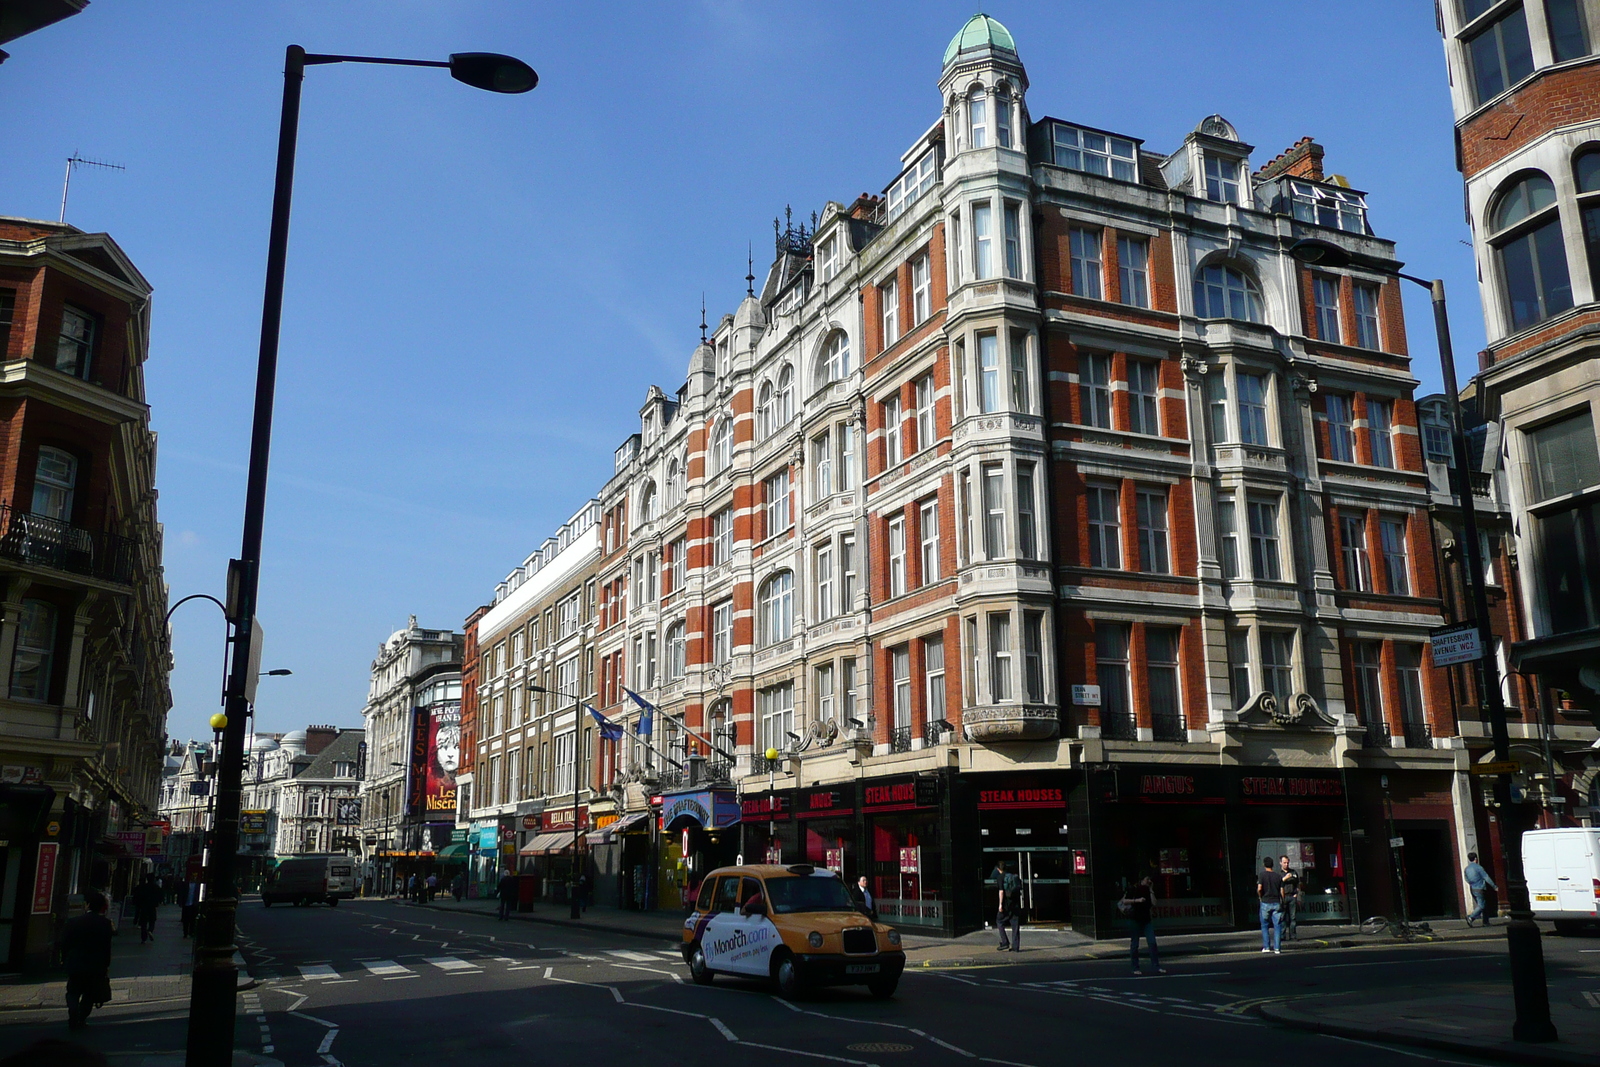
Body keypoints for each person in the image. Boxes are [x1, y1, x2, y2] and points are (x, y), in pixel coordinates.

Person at [60, 890, 114, 1031]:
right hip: (95, 965)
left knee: (73, 991)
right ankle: (81, 1018)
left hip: (75, 963)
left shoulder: (73, 922)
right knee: (89, 995)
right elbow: (106, 948)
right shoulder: (106, 924)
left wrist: (64, 960)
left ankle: (72, 1011)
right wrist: (106, 965)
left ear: (87, 905)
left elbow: (64, 943)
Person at [1120, 875, 1164, 975]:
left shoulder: (1148, 891)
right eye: (1147, 879)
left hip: (1146, 920)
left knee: (1152, 942)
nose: (1149, 881)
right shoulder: (1134, 889)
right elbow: (1124, 901)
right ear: (1141, 881)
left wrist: (1151, 890)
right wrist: (1137, 900)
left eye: (1149, 879)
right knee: (1135, 944)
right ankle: (1135, 967)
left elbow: (1154, 903)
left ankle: (1156, 966)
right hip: (1135, 920)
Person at [1464, 851, 1498, 927]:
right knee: (1481, 905)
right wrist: (1494, 886)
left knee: (1484, 905)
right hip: (1480, 888)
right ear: (1476, 858)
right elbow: (1486, 877)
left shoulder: (1467, 869)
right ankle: (1471, 917)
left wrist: (1471, 883)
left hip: (1472, 888)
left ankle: (1486, 922)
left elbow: (1466, 878)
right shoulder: (1479, 868)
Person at [1257, 856, 1283, 954]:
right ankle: (1277, 948)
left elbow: (1259, 888)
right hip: (1276, 902)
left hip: (1265, 902)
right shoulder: (1278, 876)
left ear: (1264, 865)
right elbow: (1282, 890)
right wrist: (1282, 900)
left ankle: (1266, 946)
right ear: (1272, 865)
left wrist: (1260, 896)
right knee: (1277, 926)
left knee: (1264, 925)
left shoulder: (1262, 875)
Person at [995, 861, 1022, 952]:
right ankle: (1015, 947)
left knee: (999, 921)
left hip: (1006, 905)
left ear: (998, 869)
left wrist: (1000, 905)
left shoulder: (1000, 877)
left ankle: (1005, 942)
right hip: (1015, 904)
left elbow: (1001, 892)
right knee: (1015, 925)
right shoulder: (1012, 876)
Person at [130, 876, 161, 944]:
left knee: (143, 922)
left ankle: (143, 938)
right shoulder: (156, 887)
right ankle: (150, 930)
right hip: (152, 907)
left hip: (144, 907)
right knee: (152, 920)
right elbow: (160, 896)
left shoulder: (143, 887)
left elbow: (138, 896)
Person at [1279, 855, 1302, 941]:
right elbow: (1278, 884)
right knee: (1283, 918)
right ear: (1280, 863)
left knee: (1293, 918)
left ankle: (1293, 936)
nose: (1286, 864)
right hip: (1283, 897)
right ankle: (1282, 936)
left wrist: (1296, 894)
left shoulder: (1293, 872)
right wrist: (1285, 878)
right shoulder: (1279, 874)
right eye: (1284, 862)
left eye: (1287, 863)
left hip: (1292, 896)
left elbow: (1298, 884)